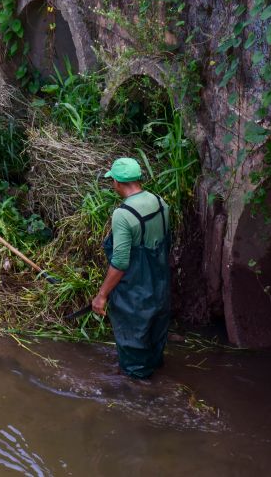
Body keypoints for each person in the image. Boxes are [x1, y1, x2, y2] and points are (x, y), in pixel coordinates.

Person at [91, 157, 171, 379]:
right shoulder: (160, 202)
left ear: (117, 182)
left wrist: (101, 295)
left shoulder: (123, 215)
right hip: (161, 288)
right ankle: (155, 383)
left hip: (135, 296)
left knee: (134, 356)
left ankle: (138, 395)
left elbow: (120, 263)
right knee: (154, 344)